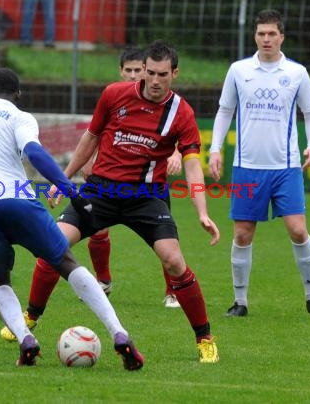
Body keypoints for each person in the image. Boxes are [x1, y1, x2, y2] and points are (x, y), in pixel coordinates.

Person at [0, 67, 144, 370]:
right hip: (18, 200)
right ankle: (120, 334)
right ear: (17, 95)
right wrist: (71, 191)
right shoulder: (19, 117)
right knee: (66, 262)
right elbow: (35, 153)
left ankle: (25, 339)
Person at [21, 40, 221, 363]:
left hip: (145, 197)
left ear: (175, 73)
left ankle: (205, 338)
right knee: (53, 245)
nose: (155, 81)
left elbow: (193, 163)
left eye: (163, 75)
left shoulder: (181, 112)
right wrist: (64, 178)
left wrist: (203, 212)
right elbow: (91, 138)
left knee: (173, 260)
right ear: (142, 70)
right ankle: (30, 317)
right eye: (150, 73)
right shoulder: (115, 95)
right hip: (100, 191)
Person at [208, 9, 310, 320]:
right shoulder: (238, 71)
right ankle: (240, 302)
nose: (266, 39)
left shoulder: (297, 73)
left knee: (298, 230)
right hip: (247, 166)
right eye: (261, 33)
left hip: (286, 167)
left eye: (271, 34)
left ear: (281, 37)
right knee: (242, 235)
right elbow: (225, 111)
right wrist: (215, 149)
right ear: (254, 36)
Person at [80, 46, 183, 308]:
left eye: (139, 70)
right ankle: (103, 280)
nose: (135, 75)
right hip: (108, 178)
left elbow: (174, 135)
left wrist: (176, 155)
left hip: (149, 185)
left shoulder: (166, 101)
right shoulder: (115, 96)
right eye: (130, 70)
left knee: (163, 238)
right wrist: (91, 161)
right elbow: (98, 133)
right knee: (96, 228)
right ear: (121, 72)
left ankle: (173, 290)